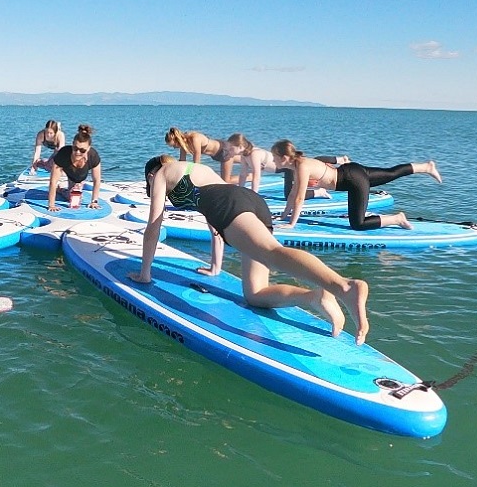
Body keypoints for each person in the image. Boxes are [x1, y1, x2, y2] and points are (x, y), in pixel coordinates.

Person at [129, 155, 371, 344]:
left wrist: (145, 274)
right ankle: (314, 296)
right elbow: (212, 218)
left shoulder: (160, 174)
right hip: (250, 200)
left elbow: (154, 225)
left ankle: (343, 286)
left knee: (271, 251)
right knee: (255, 294)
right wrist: (215, 267)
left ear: (151, 174)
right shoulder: (195, 168)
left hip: (228, 205)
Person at [271, 140, 442, 231]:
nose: (273, 160)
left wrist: (292, 224)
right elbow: (293, 194)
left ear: (284, 157)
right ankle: (425, 167)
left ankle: (397, 219)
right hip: (352, 171)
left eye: (274, 157)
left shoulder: (302, 166)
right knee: (391, 173)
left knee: (358, 224)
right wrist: (284, 216)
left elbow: (300, 198)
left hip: (352, 181)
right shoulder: (299, 164)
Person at [47, 124, 102, 212]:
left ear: (88, 149)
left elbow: (97, 180)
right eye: (75, 148)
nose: (77, 152)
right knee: (71, 194)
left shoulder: (93, 156)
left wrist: (94, 201)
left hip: (80, 176)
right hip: (67, 170)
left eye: (82, 150)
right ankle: (61, 188)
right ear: (72, 145)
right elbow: (53, 181)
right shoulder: (63, 154)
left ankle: (63, 189)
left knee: (74, 195)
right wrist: (51, 205)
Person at [164, 127, 239, 182]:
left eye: (174, 145)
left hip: (224, 150)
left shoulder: (194, 138)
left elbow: (197, 162)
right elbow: (182, 162)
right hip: (215, 156)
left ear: (178, 140)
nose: (174, 148)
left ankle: (250, 177)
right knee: (245, 160)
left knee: (226, 181)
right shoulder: (183, 146)